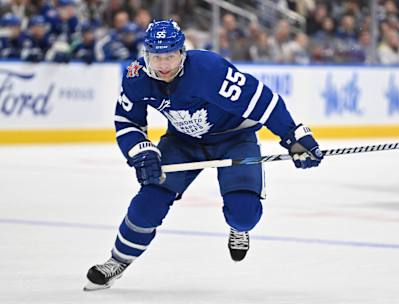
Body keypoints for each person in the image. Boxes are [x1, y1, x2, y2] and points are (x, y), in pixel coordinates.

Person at [84, 19, 323, 291]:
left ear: (182, 54)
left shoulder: (210, 71)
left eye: (171, 57)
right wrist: (140, 150)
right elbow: (127, 122)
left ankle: (239, 228)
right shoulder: (135, 77)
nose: (164, 65)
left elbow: (264, 102)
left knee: (243, 214)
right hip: (183, 142)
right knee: (149, 201)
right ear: (145, 54)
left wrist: (294, 136)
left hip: (234, 138)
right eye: (157, 57)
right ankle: (118, 260)